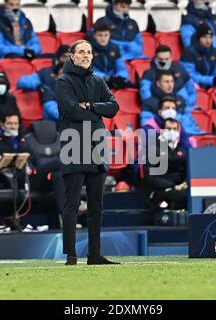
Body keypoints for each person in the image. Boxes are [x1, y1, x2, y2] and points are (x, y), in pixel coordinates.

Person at [56, 39, 120, 265]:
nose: (85, 55)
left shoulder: (98, 81)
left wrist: (91, 106)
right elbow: (72, 111)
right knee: (71, 203)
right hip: (73, 145)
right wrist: (96, 112)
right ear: (71, 56)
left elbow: (114, 107)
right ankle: (70, 254)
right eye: (81, 52)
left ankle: (94, 254)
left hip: (96, 145)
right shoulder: (63, 81)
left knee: (97, 205)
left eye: (89, 52)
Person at [142, 118, 188, 211]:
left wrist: (184, 184)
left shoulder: (182, 150)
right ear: (161, 131)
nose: (172, 131)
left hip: (180, 188)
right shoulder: (153, 149)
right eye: (168, 129)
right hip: (160, 190)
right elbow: (150, 177)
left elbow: (187, 171)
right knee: (182, 196)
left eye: (175, 129)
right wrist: (172, 186)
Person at [141, 71, 203, 136]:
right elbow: (147, 129)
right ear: (158, 83)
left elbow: (190, 124)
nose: (170, 85)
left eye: (172, 81)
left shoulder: (180, 100)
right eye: (166, 82)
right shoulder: (149, 103)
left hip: (186, 136)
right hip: (159, 139)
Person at [180, 23, 216, 89]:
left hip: (209, 85)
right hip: (194, 85)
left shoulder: (215, 52)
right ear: (198, 38)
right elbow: (190, 75)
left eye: (210, 37)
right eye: (204, 37)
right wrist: (211, 80)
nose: (208, 41)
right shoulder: (189, 52)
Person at [87, 22, 130, 89]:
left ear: (109, 35)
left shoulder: (115, 48)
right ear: (94, 36)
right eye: (100, 35)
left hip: (111, 81)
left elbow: (121, 68)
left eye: (106, 35)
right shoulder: (87, 49)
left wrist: (121, 77)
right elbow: (87, 70)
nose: (103, 38)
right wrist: (106, 78)